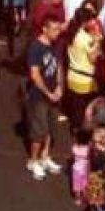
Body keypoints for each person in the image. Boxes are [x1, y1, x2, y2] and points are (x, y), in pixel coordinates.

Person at [26, 14, 65, 181]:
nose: (58, 32)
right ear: (45, 29)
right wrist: (48, 93)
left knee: (50, 128)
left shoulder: (55, 46)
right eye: (54, 29)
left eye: (58, 28)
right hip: (39, 97)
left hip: (53, 95)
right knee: (39, 131)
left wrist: (59, 87)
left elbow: (59, 67)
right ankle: (33, 160)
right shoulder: (36, 48)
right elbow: (35, 75)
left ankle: (45, 156)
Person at [65, 7, 104, 134]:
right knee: (84, 110)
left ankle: (75, 131)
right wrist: (98, 41)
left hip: (72, 76)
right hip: (84, 80)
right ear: (85, 21)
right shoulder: (83, 38)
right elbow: (93, 58)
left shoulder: (72, 33)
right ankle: (81, 135)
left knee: (75, 107)